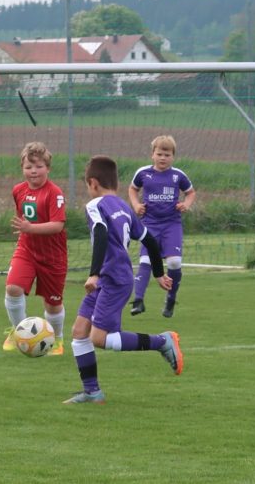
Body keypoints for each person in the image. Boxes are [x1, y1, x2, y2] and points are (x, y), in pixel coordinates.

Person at [64, 155, 183, 405]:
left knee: (99, 338)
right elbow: (149, 240)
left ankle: (162, 341)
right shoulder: (122, 206)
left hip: (113, 279)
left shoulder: (95, 205)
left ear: (93, 183)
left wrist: (94, 273)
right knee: (79, 332)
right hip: (114, 276)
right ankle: (92, 392)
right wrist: (160, 274)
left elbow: (100, 232)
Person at [2, 142, 67, 356]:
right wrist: (26, 230)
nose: (33, 171)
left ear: (47, 168)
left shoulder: (54, 193)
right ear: (22, 168)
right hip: (27, 249)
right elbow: (23, 219)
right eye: (29, 166)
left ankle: (57, 340)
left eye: (38, 166)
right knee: (13, 288)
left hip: (52, 256)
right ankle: (19, 333)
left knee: (52, 304)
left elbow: (58, 225)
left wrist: (30, 227)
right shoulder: (18, 190)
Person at [128, 135, 196, 318]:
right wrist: (136, 205)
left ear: (173, 156)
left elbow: (190, 192)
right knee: (145, 261)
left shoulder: (178, 175)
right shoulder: (143, 173)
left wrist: (186, 204)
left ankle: (171, 299)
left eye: (167, 154)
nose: (163, 158)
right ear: (152, 155)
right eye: (159, 154)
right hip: (149, 224)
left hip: (171, 224)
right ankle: (138, 300)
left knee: (174, 262)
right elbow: (133, 189)